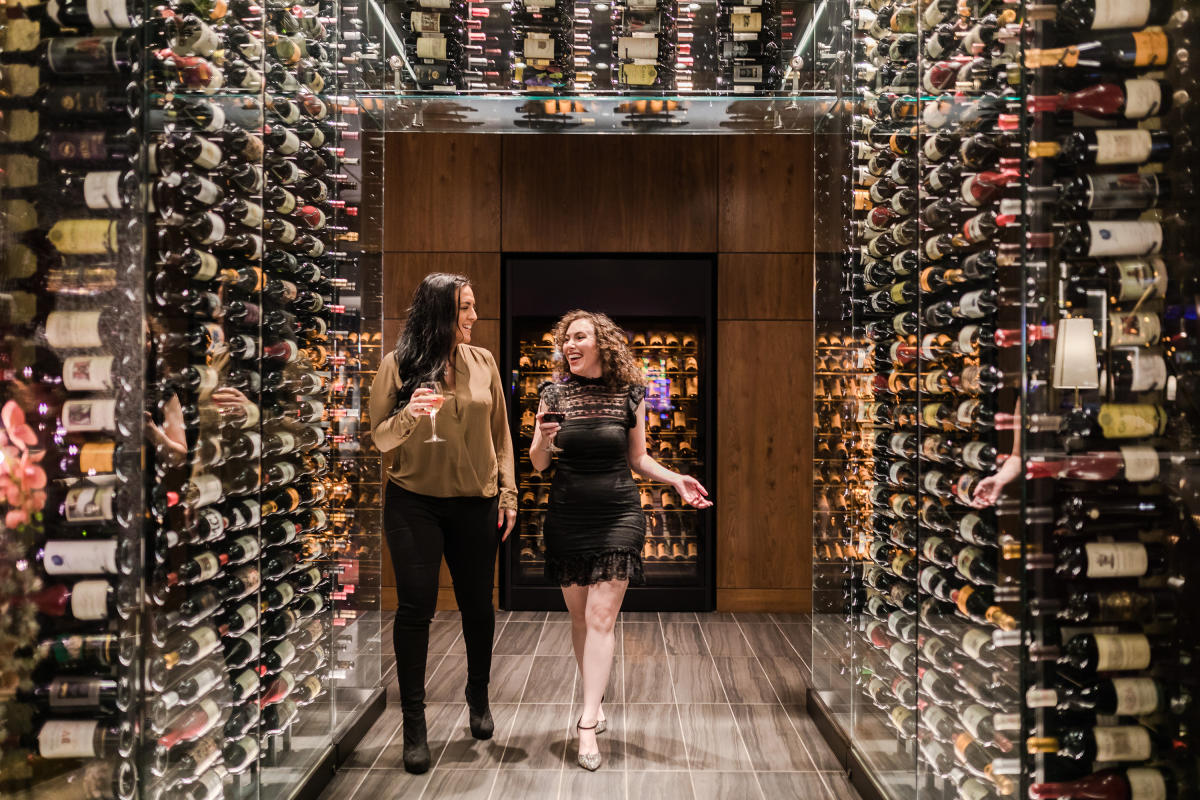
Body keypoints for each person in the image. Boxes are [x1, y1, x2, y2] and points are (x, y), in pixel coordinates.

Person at [529, 310, 712, 771]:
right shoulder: (551, 394)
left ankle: (586, 723)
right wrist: (546, 439)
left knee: (600, 616)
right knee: (579, 620)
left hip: (618, 513)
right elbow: (538, 465)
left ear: (601, 344)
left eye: (579, 337)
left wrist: (675, 480)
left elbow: (639, 458)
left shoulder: (630, 395)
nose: (569, 345)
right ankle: (597, 700)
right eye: (565, 339)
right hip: (567, 514)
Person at [368, 273, 517, 774]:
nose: (474, 317)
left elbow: (502, 435)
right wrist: (411, 413)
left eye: (474, 307)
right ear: (439, 313)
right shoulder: (397, 365)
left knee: (478, 607)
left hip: (476, 502)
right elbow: (381, 440)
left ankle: (478, 695)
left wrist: (509, 491)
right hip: (414, 504)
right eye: (465, 309)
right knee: (416, 607)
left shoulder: (484, 362)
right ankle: (414, 724)